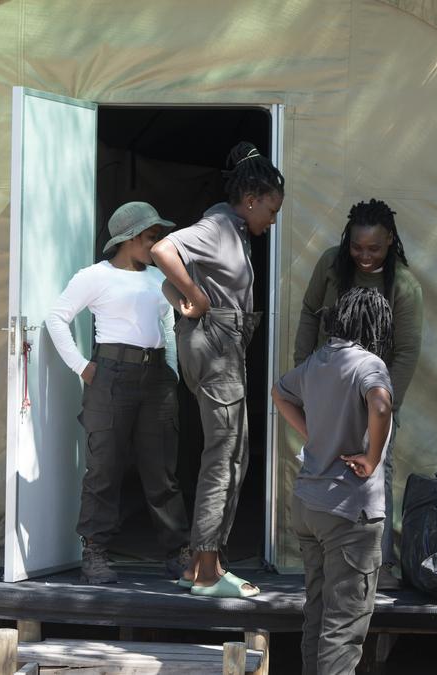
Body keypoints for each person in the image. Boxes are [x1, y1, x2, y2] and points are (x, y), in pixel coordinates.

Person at [150, 141, 284, 598]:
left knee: (235, 453)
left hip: (222, 345)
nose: (273, 219)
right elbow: (163, 250)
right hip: (217, 347)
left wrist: (186, 294)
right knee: (224, 457)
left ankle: (204, 562)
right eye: (272, 208)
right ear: (251, 200)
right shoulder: (218, 225)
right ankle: (205, 572)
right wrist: (196, 297)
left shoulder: (236, 230)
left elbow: (173, 277)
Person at [44, 201, 190, 585]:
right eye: (151, 236)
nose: (157, 243)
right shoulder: (94, 276)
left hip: (156, 376)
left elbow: (168, 324)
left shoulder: (160, 277)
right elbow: (56, 318)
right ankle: (95, 552)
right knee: (104, 468)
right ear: (129, 239)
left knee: (161, 470)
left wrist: (170, 373)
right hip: (110, 375)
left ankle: (176, 553)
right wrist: (83, 367)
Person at [293, 198, 422, 589]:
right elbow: (308, 313)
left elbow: (407, 350)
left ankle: (376, 564)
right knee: (319, 465)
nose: (364, 256)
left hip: (373, 400)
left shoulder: (403, 284)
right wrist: (303, 375)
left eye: (374, 248)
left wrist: (384, 405)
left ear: (390, 243)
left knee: (374, 474)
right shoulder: (331, 265)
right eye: (357, 246)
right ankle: (321, 557)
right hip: (325, 391)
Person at [273, 287, 394, 675]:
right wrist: (372, 458)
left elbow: (278, 392)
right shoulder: (369, 364)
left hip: (308, 504)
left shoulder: (316, 361)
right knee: (343, 626)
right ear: (376, 325)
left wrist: (312, 434)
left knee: (319, 614)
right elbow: (380, 404)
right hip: (348, 511)